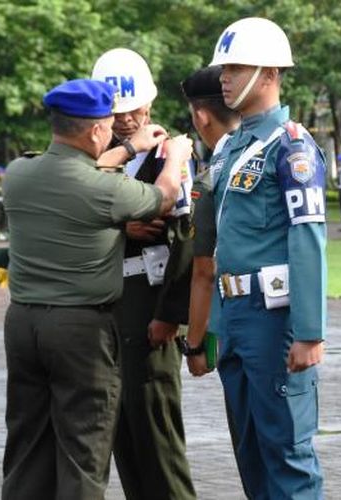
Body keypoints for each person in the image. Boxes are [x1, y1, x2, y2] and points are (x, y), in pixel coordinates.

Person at [1, 79, 188, 499]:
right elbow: (164, 196)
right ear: (95, 131)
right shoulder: (103, 190)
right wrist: (174, 156)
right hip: (80, 331)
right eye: (107, 124)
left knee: (27, 446)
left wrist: (126, 148)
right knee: (84, 451)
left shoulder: (18, 173)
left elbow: (81, 175)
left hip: (22, 323)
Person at [209, 17, 327, 498]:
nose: (224, 77)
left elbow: (308, 238)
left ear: (271, 74)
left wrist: (309, 332)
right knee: (250, 454)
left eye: (235, 67)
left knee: (288, 455)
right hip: (233, 317)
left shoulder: (292, 146)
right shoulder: (231, 145)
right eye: (224, 68)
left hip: (273, 319)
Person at [91, 47, 197, 500]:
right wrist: (121, 223)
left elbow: (188, 239)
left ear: (148, 104)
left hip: (148, 297)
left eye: (132, 109)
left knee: (154, 427)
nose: (125, 119)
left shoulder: (171, 154)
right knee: (121, 431)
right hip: (106, 298)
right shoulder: (99, 156)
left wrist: (171, 313)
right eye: (115, 111)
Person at [179, 65, 241, 377]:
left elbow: (204, 271)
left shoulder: (211, 177)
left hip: (233, 318)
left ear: (201, 116)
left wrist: (193, 344)